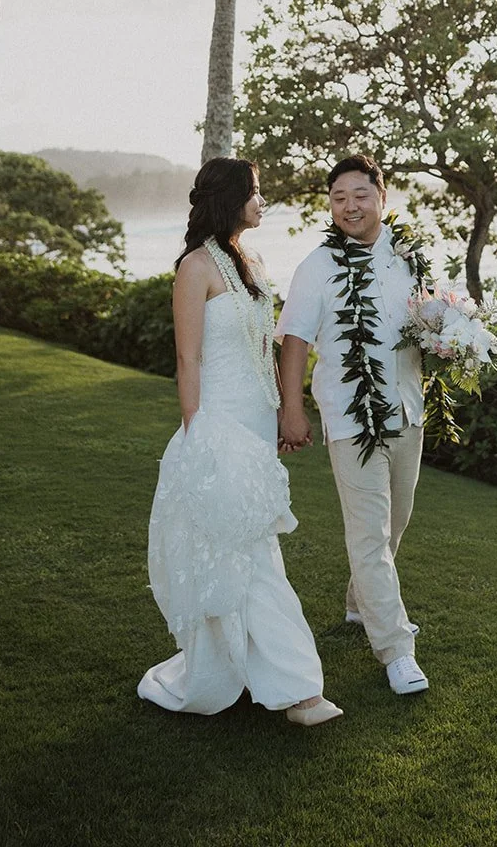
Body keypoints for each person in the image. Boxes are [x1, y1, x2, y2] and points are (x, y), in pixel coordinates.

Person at [138, 157, 341, 726]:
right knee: (244, 552)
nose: (262, 201)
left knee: (254, 548)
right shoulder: (195, 267)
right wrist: (196, 433)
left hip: (255, 419)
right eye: (254, 192)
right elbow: (188, 359)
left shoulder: (251, 260)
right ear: (229, 198)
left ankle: (252, 670)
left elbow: (262, 347)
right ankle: (298, 691)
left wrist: (279, 414)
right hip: (218, 424)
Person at [276, 154, 428, 696]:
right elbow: (294, 339)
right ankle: (396, 651)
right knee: (368, 535)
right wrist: (292, 409)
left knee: (395, 525)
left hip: (408, 409)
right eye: (338, 198)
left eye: (360, 195)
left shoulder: (408, 258)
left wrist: (449, 340)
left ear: (382, 198)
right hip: (351, 418)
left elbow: (425, 322)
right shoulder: (317, 267)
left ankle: (359, 606)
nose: (350, 207)